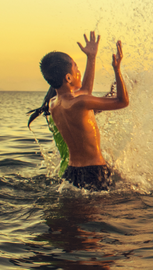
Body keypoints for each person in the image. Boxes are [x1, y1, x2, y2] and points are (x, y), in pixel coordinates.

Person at [39, 31, 129, 191]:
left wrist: (91, 57)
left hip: (71, 172)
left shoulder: (53, 104)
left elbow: (86, 90)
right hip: (94, 171)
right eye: (76, 68)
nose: (79, 72)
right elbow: (122, 101)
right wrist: (117, 69)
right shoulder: (79, 102)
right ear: (68, 78)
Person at [27, 83, 117, 177]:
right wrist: (112, 93)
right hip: (83, 168)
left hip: (66, 170)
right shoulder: (69, 111)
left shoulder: (53, 114)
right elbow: (96, 106)